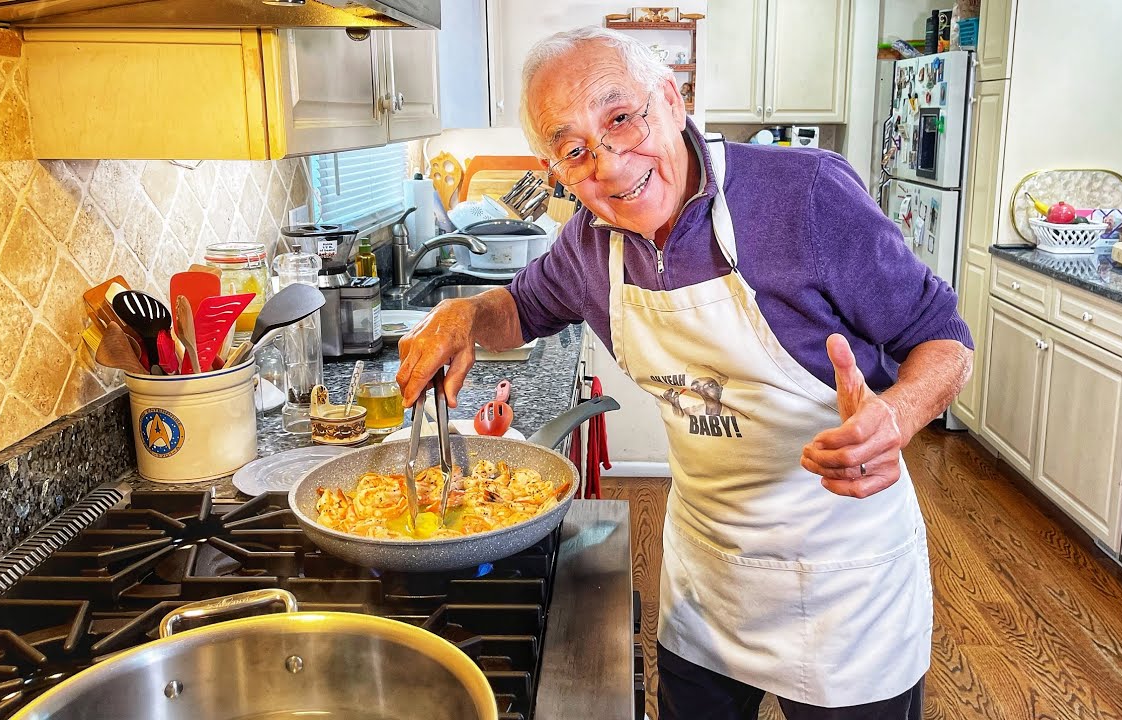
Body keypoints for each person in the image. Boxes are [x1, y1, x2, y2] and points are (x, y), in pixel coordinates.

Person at [396, 26, 973, 720]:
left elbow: (944, 337)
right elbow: (520, 307)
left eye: (620, 119)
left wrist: (899, 417)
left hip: (843, 582)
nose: (608, 167)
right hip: (710, 580)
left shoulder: (805, 196)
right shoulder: (588, 243)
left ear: (671, 101)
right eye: (573, 151)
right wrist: (465, 314)